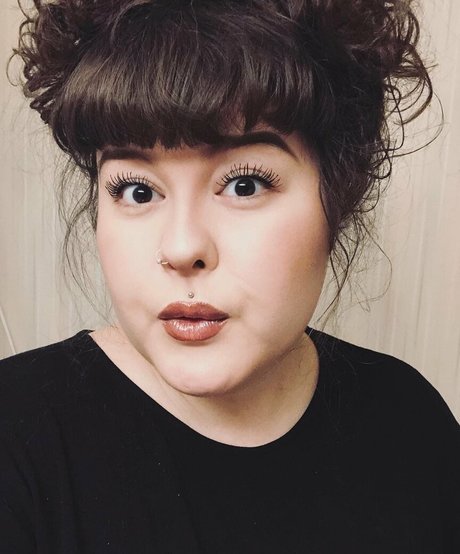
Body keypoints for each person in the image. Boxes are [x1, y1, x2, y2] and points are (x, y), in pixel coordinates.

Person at [1, 0, 459, 552]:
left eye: (245, 185)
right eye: (137, 190)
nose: (181, 248)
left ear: (336, 199)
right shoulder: (17, 436)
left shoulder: (410, 420)